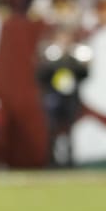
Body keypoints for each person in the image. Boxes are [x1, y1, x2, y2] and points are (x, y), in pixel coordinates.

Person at [35, 30, 90, 168]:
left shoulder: (74, 59)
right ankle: (52, 160)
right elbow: (41, 76)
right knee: (52, 130)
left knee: (70, 131)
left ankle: (70, 160)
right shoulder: (50, 58)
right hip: (53, 98)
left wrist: (83, 64)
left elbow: (83, 75)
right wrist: (51, 61)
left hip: (70, 98)